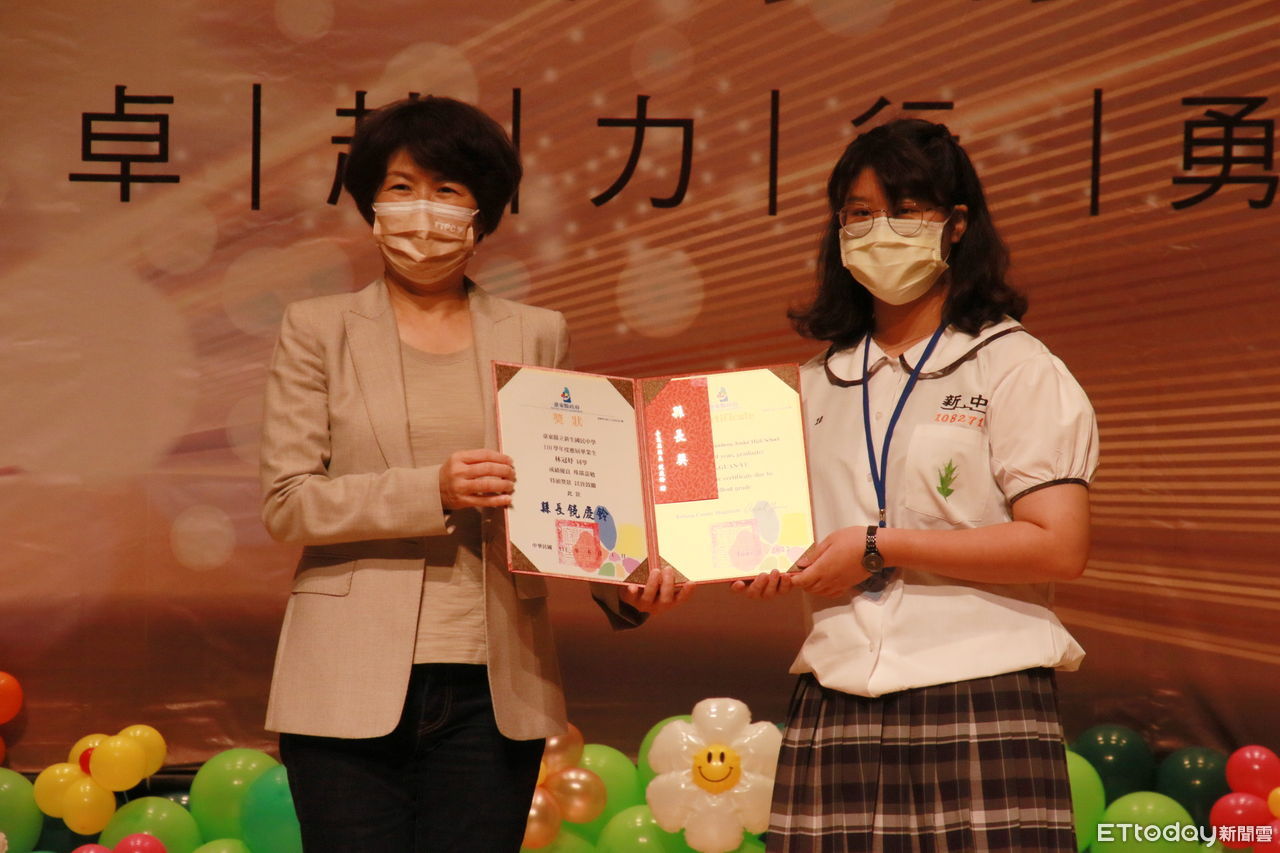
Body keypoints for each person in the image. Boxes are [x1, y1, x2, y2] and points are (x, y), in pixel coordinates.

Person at [258, 95, 690, 853]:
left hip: (495, 686)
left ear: (481, 212)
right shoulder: (318, 329)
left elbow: (572, 492)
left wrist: (625, 581)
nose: (423, 211)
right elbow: (289, 503)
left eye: (447, 190)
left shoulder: (537, 332)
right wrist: (434, 489)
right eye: (401, 187)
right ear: (370, 203)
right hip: (344, 677)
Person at [733, 117, 1099, 852]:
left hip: (982, 695)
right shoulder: (808, 386)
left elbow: (1059, 545)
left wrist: (880, 546)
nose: (880, 231)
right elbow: (776, 533)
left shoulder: (1013, 365)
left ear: (956, 225)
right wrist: (755, 561)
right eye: (858, 213)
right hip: (835, 698)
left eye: (905, 211)